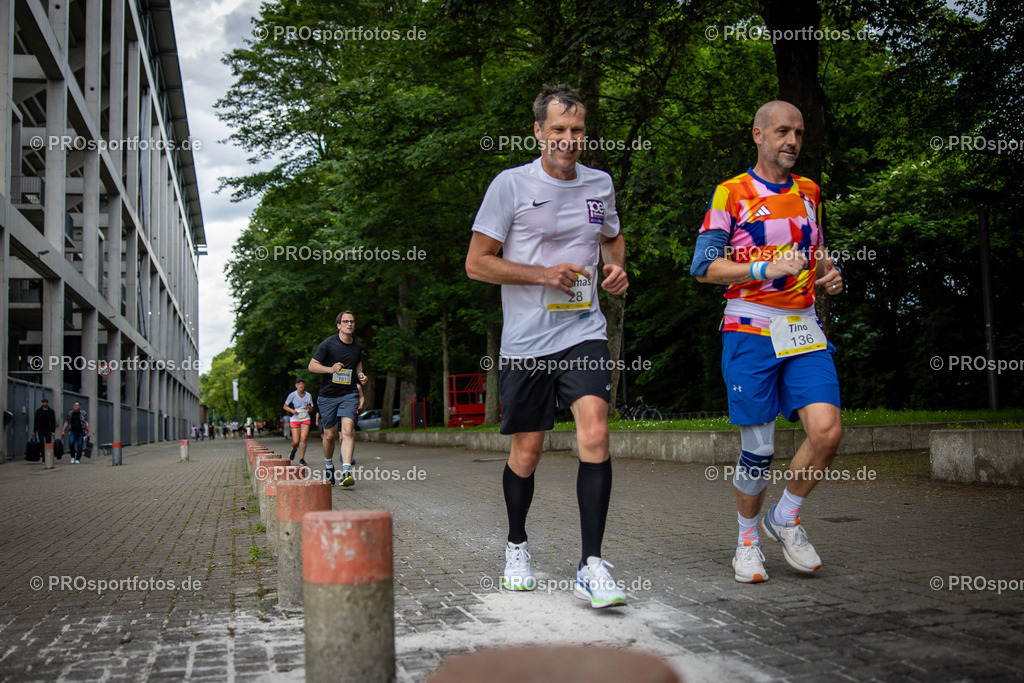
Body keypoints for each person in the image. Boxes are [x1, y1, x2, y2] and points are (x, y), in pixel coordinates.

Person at [465, 84, 629, 609]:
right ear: (538, 131)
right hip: (526, 341)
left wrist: (615, 267)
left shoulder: (600, 184)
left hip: (583, 330)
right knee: (528, 451)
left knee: (595, 432)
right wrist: (541, 274)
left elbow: (612, 237)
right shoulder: (510, 185)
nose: (568, 139)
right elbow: (476, 263)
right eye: (558, 129)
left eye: (577, 130)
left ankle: (591, 565)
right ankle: (516, 545)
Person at [690, 100, 844, 584]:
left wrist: (829, 272)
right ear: (758, 135)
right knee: (759, 450)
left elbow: (816, 250)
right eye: (781, 132)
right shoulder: (731, 192)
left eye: (798, 133)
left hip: (802, 328)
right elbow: (704, 267)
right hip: (750, 329)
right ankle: (747, 541)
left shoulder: (810, 190)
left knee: (827, 432)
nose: (792, 141)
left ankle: (785, 517)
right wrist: (763, 267)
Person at [308, 310, 366, 486]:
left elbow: (357, 363)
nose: (349, 324)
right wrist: (330, 369)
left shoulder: (357, 346)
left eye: (352, 321)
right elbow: (312, 366)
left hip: (349, 394)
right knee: (329, 436)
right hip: (328, 396)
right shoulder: (328, 344)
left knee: (348, 431)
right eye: (346, 321)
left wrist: (360, 375)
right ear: (339, 325)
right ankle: (328, 465)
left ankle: (346, 472)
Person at [283, 378, 314, 465]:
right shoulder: (292, 395)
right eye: (299, 384)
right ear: (296, 386)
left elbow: (311, 409)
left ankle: (301, 459)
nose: (301, 385)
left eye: (302, 384)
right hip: (295, 418)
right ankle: (293, 450)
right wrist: (292, 411)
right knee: (296, 441)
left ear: (304, 385)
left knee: (303, 439)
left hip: (305, 418)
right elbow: (285, 406)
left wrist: (308, 406)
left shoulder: (308, 395)